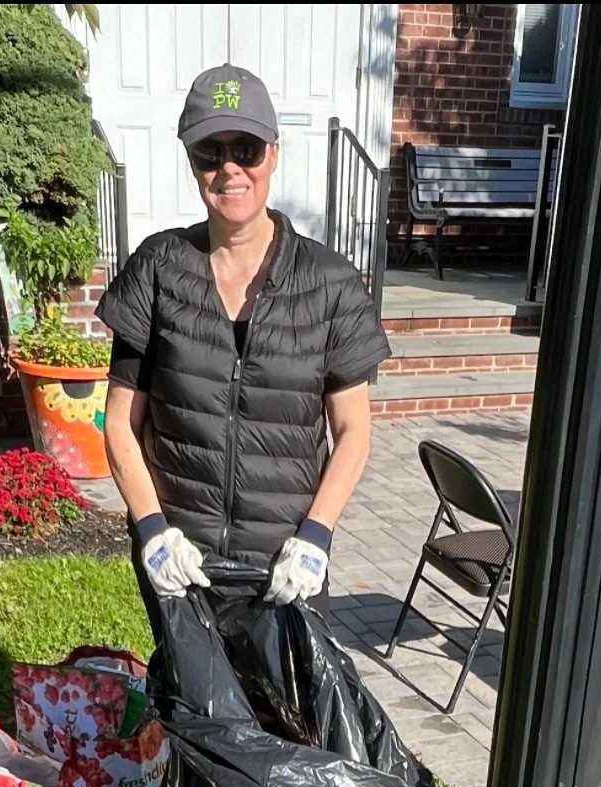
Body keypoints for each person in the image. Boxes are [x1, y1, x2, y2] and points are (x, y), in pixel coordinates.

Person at [100, 63, 390, 617]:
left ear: (273, 153)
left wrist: (317, 537)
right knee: (192, 704)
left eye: (246, 149)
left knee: (286, 706)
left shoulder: (330, 284)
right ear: (192, 162)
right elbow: (119, 420)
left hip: (285, 566)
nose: (229, 168)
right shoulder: (159, 269)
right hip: (181, 562)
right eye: (210, 151)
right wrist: (153, 531)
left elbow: (353, 431)